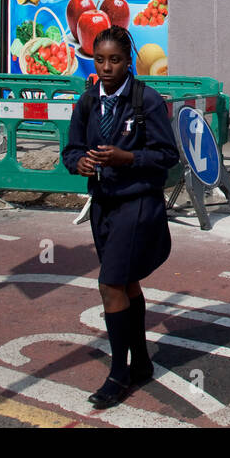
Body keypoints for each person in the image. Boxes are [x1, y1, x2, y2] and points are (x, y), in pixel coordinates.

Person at [62, 26, 180, 410]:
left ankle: (118, 373)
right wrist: (79, 162)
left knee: (109, 285)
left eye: (115, 60)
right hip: (103, 203)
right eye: (100, 60)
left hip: (139, 204)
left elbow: (168, 156)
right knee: (126, 284)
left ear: (128, 61)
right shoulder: (87, 102)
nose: (107, 67)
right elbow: (71, 149)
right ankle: (142, 360)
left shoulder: (146, 100)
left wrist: (127, 158)